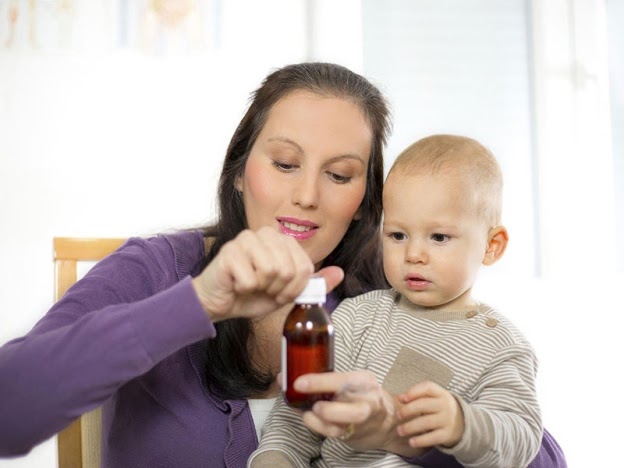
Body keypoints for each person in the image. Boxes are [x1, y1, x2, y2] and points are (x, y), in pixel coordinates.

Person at [0, 63, 565, 467]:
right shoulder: (159, 269)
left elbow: (539, 456)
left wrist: (405, 436)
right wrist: (199, 302)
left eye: (340, 175)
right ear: (241, 169)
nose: (307, 197)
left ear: (367, 200)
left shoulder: (397, 301)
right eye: (286, 163)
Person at [249, 135, 548, 467]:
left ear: (492, 246)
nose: (414, 255)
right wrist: (275, 458)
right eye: (398, 235)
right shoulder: (357, 316)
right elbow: (295, 419)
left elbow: (522, 439)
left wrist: (462, 424)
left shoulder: (500, 346)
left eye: (439, 237)